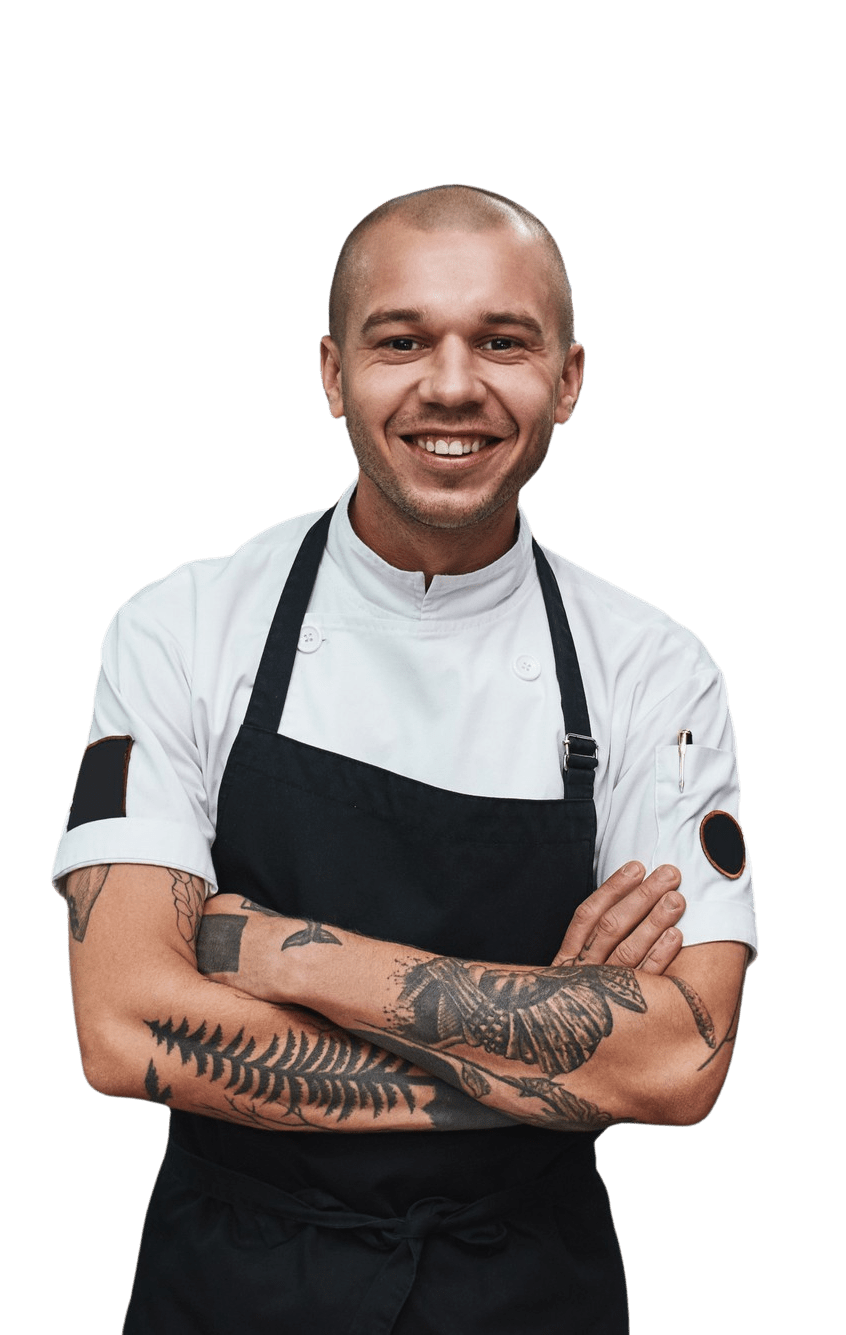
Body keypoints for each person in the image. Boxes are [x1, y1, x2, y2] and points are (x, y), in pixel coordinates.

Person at [52, 184, 758, 1334]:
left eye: (500, 342)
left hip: (528, 1288)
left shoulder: (654, 672)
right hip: (231, 1283)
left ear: (567, 379)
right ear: (332, 373)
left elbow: (679, 1060)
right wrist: (553, 1059)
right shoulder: (182, 629)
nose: (449, 385)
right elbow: (124, 1027)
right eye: (400, 341)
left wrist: (277, 951)